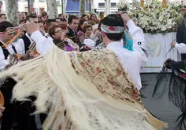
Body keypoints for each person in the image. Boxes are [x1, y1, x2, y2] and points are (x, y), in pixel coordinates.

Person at [0, 39, 166, 130]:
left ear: (103, 33)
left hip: (104, 108)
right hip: (128, 106)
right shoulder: (134, 55)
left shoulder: (99, 55)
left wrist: (36, 33)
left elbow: (59, 58)